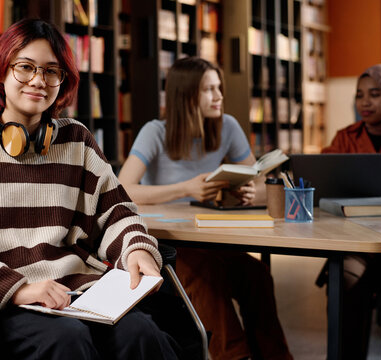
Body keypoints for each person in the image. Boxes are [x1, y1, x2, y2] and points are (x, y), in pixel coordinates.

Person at [0, 18, 180, 360]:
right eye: (25, 67)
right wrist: (19, 288)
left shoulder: (78, 141)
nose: (39, 81)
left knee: (142, 332)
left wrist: (136, 249)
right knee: (67, 340)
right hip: (3, 303)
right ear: (0, 71)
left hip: (80, 296)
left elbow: (116, 211)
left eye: (52, 71)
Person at [118, 57, 292, 360]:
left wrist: (251, 192)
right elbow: (123, 189)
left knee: (257, 275)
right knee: (205, 271)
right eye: (209, 89)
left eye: (219, 87)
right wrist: (186, 188)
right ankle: (234, 356)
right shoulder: (155, 131)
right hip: (171, 243)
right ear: (186, 96)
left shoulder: (228, 127)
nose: (220, 96)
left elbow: (263, 182)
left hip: (214, 238)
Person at [320, 63, 381, 359]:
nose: (365, 102)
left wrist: (379, 191)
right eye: (359, 95)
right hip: (356, 240)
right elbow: (322, 176)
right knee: (343, 284)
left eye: (375, 94)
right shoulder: (345, 137)